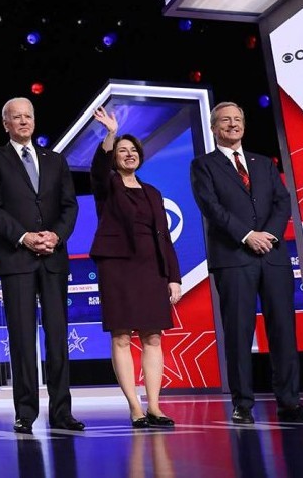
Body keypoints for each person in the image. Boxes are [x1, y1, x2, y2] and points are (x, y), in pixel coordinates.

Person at [190, 101, 303, 425]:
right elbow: (211, 206)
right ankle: (242, 405)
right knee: (238, 333)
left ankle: (290, 403)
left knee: (284, 331)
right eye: (225, 120)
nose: (233, 125)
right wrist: (247, 235)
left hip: (272, 256)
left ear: (244, 125)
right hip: (234, 259)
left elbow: (282, 201)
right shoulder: (202, 166)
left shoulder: (262, 164)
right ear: (213, 127)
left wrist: (270, 235)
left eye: (238, 119)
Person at [0, 97, 82, 434]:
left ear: (34, 121)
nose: (23, 122)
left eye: (28, 116)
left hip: (53, 258)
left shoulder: (55, 160)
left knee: (57, 337)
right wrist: (23, 237)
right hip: (16, 258)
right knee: (22, 339)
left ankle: (62, 412)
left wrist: (57, 236)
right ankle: (25, 412)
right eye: (16, 117)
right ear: (5, 123)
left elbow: (69, 206)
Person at [90, 106, 182, 428]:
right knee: (121, 337)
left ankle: (155, 406)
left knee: (153, 337)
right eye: (122, 151)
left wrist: (173, 277)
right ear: (115, 156)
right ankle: (135, 407)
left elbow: (165, 238)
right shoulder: (108, 186)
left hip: (150, 268)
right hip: (118, 266)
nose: (128, 155)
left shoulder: (153, 192)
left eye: (133, 151)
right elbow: (99, 169)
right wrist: (111, 134)